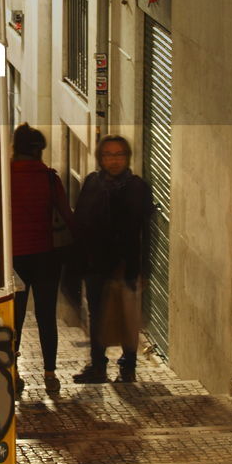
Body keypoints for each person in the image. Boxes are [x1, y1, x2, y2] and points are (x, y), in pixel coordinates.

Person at [73, 135, 155, 384]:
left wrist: (144, 267)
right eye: (108, 155)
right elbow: (81, 224)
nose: (114, 160)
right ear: (101, 158)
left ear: (127, 157)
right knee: (97, 315)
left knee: (127, 316)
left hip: (126, 264)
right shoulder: (92, 183)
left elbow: (147, 231)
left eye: (119, 154)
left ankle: (128, 366)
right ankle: (98, 366)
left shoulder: (138, 187)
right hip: (96, 263)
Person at [10, 123, 75, 396]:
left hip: (14, 260)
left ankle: (13, 373)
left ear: (15, 148)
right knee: (46, 316)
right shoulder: (50, 178)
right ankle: (49, 373)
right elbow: (66, 215)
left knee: (15, 318)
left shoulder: (4, 176)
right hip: (47, 257)